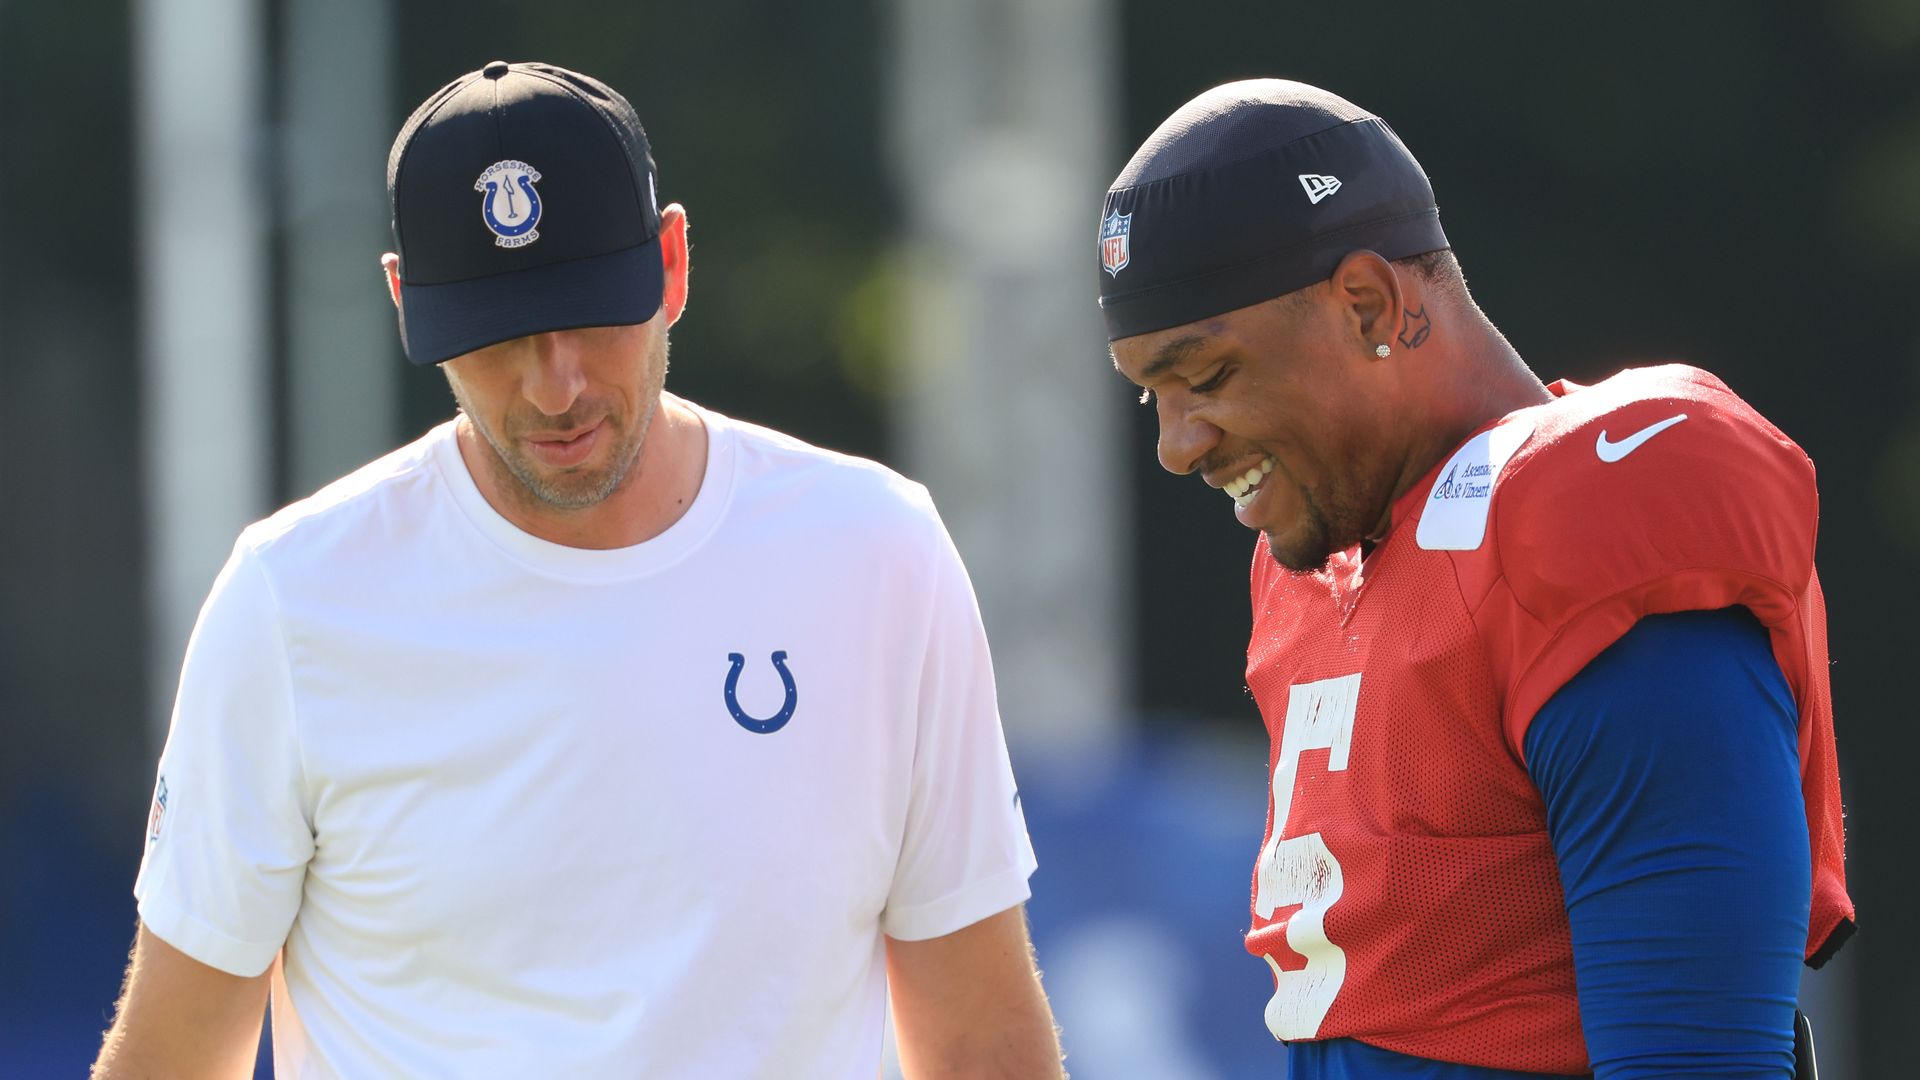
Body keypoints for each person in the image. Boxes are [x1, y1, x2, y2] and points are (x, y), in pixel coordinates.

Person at [94, 60, 1063, 1078]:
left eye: (592, 316)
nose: (555, 388)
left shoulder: (878, 554)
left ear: (673, 263)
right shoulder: (292, 596)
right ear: (403, 304)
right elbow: (170, 1057)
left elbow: (980, 1044)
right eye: (498, 338)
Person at [1097, 80, 1853, 1079]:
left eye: (1210, 377)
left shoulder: (1591, 514)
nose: (1177, 444)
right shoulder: (1313, 566)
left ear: (1368, 303)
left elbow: (1695, 1057)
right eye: (1152, 393)